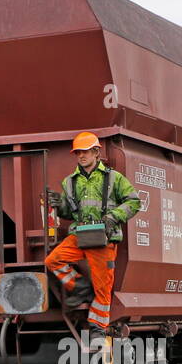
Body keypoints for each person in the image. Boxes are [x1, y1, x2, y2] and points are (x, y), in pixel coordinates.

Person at [45, 132, 142, 335]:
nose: (81, 156)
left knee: (103, 288)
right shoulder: (70, 182)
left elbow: (134, 202)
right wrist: (58, 204)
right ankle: (80, 287)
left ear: (96, 152)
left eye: (86, 151)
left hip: (103, 238)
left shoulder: (113, 178)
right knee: (53, 260)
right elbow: (69, 211)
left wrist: (112, 217)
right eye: (78, 152)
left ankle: (98, 327)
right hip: (80, 234)